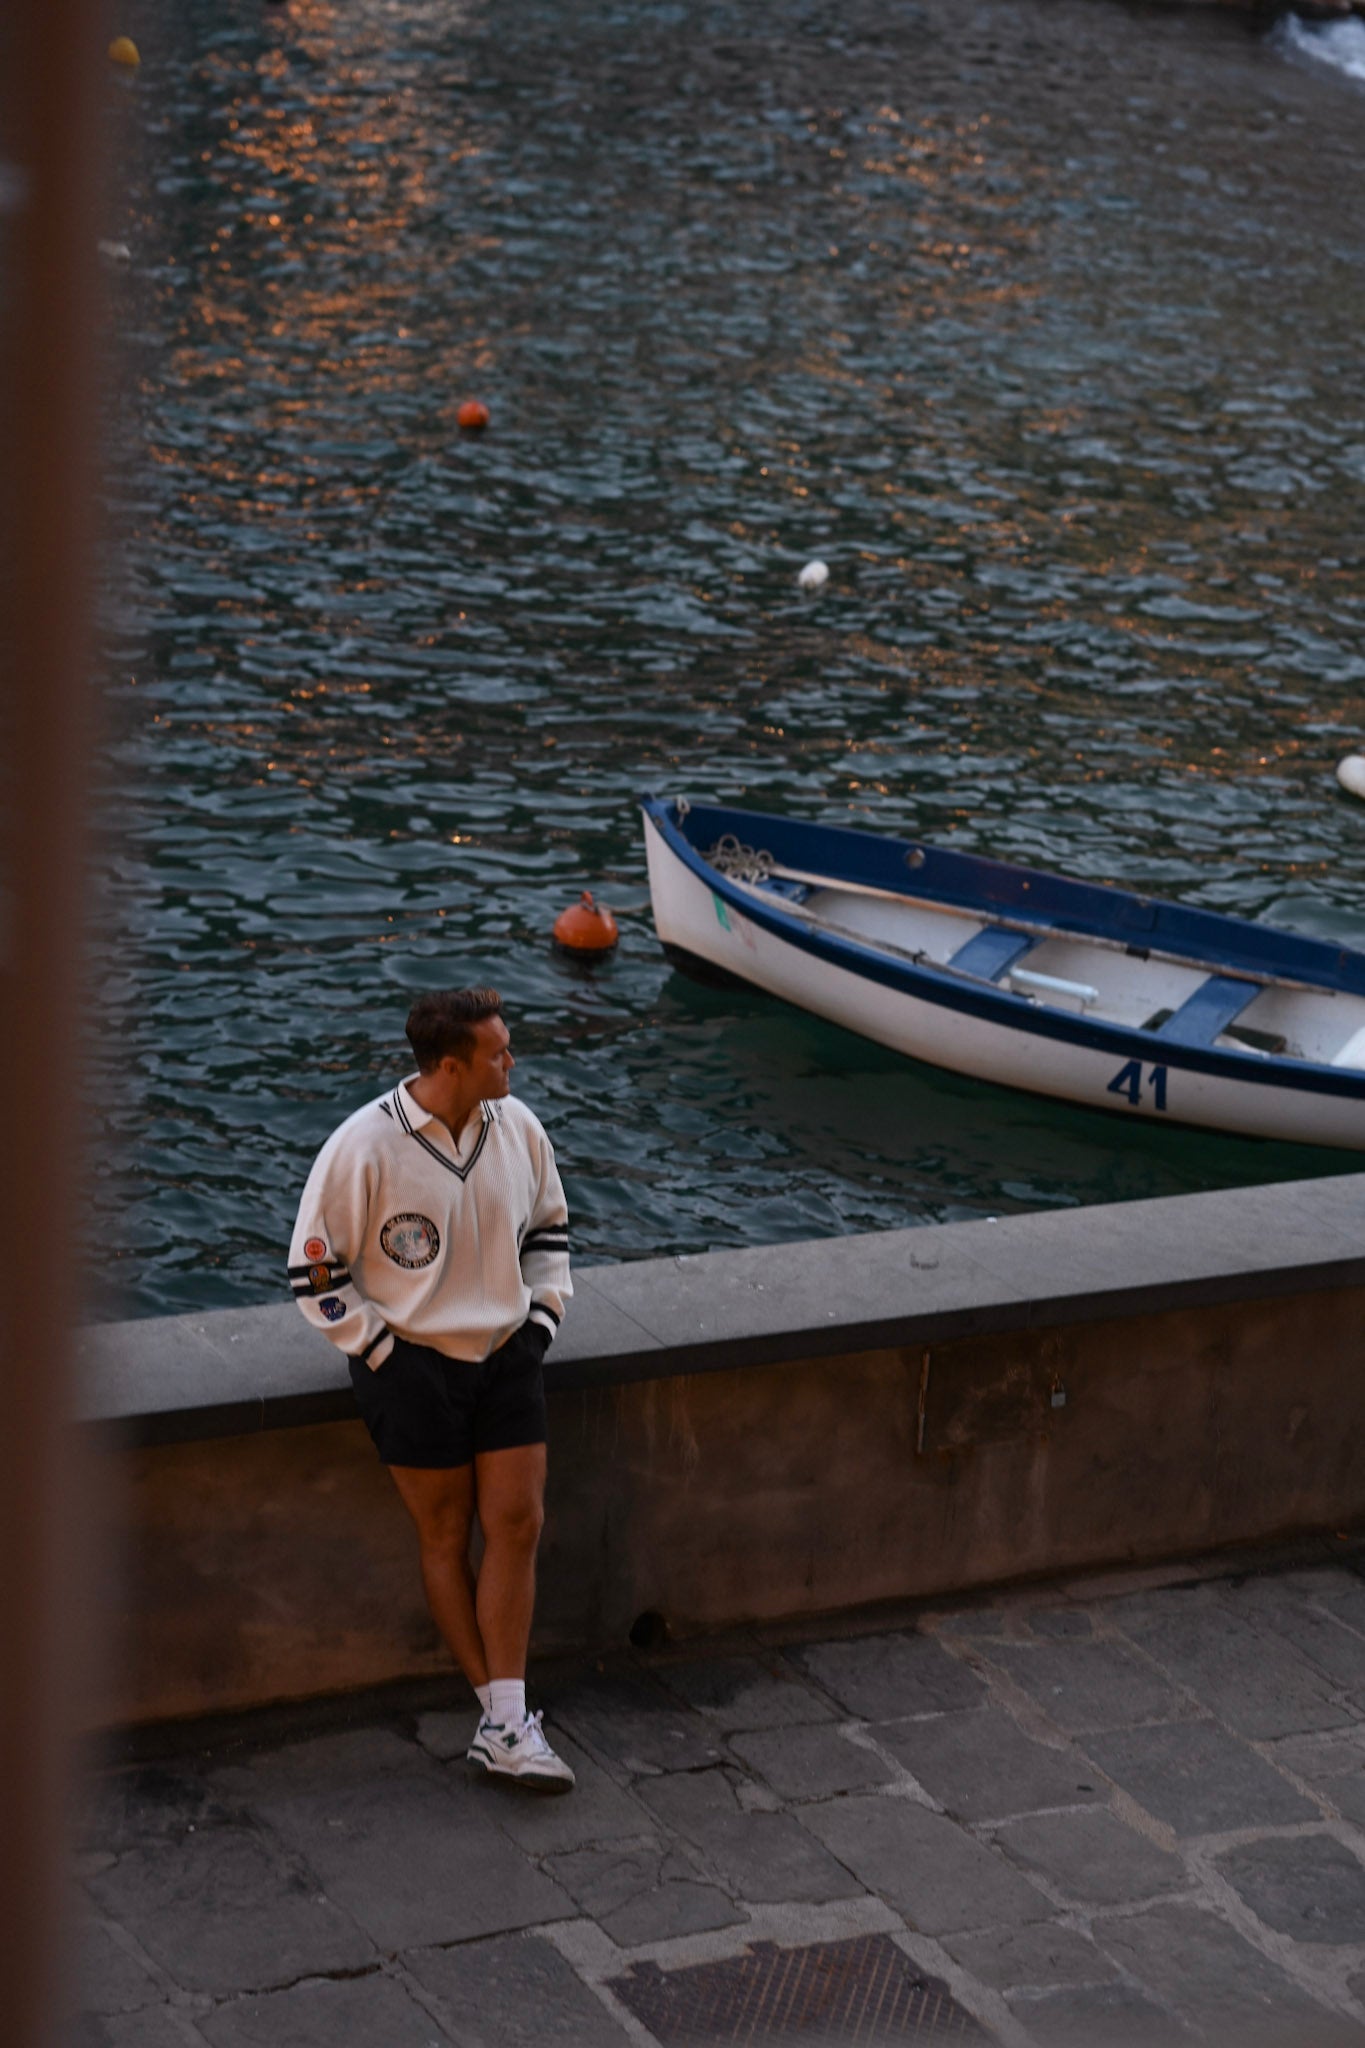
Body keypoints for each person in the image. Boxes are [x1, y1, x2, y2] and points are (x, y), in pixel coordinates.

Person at [288, 987, 575, 1792]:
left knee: (517, 1522)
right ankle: (504, 1721)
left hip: (507, 1359)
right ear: (451, 1066)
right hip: (411, 1372)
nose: (512, 1060)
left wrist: (540, 1324)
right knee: (445, 1537)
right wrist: (381, 1351)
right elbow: (313, 1272)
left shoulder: (519, 1127)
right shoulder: (362, 1146)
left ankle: (505, 1722)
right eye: (497, 1052)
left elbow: (549, 1231)